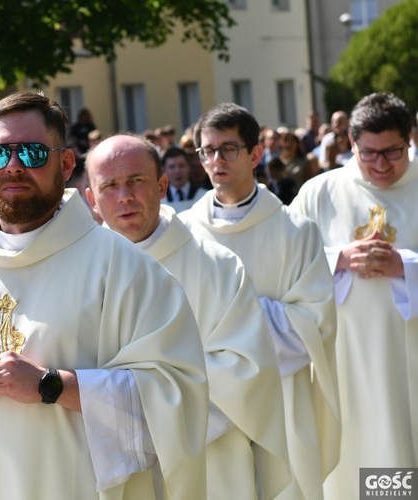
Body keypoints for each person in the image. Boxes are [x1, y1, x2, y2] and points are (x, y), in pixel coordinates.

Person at [0, 91, 209, 500]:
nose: (15, 166)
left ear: (66, 163)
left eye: (34, 153)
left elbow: (176, 397)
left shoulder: (124, 268)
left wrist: (50, 386)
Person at [85, 134, 289, 499]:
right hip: (109, 465)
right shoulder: (78, 274)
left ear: (162, 185)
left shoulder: (218, 267)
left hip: (211, 461)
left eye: (136, 181)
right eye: (110, 186)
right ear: (92, 201)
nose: (125, 197)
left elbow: (246, 371)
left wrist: (146, 415)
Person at [180, 102, 340, 500]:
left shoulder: (295, 232)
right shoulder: (184, 234)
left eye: (228, 149)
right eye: (207, 150)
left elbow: (314, 325)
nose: (216, 160)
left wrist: (234, 317)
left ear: (255, 154)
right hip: (211, 402)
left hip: (281, 397)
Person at [290, 92, 418, 500]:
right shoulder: (319, 192)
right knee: (357, 465)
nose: (381, 165)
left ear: (410, 138)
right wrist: (338, 259)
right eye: (369, 154)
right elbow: (285, 265)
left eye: (393, 152)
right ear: (350, 144)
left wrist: (407, 268)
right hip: (344, 358)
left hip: (410, 357)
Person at [161, 147, 207, 213]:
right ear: (164, 170)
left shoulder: (204, 196)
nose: (177, 171)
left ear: (189, 167)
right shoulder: (159, 200)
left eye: (181, 166)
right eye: (172, 167)